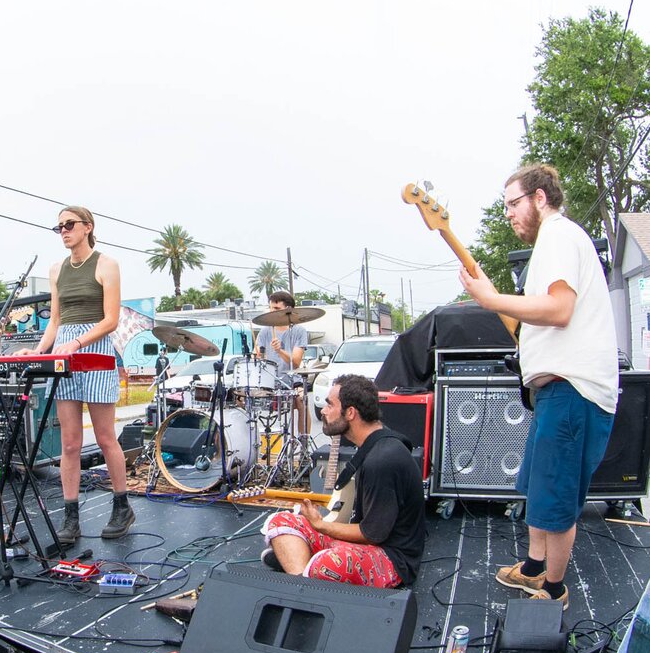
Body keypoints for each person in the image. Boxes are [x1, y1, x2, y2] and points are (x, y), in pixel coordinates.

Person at [459, 163, 618, 609]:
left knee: (557, 498)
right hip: (556, 394)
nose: (509, 214)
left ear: (540, 198)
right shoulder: (553, 242)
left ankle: (553, 589)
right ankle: (533, 568)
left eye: (513, 203)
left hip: (573, 392)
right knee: (538, 484)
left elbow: (560, 308)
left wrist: (490, 299)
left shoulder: (559, 236)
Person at [262, 374, 426, 587]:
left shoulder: (382, 460)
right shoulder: (374, 443)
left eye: (330, 405)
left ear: (350, 413)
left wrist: (320, 525)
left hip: (391, 558)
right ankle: (302, 576)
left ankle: (302, 572)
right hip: (363, 542)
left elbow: (372, 534)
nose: (323, 410)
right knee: (281, 521)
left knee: (328, 564)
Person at [33, 206, 134, 546]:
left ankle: (122, 506)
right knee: (70, 442)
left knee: (106, 437)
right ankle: (71, 516)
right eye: (59, 226)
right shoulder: (56, 269)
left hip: (94, 349)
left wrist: (76, 342)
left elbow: (111, 319)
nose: (63, 231)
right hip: (64, 351)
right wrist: (39, 351)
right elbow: (55, 319)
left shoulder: (107, 264)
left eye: (69, 225)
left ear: (88, 227)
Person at [255, 290, 309, 434]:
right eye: (271, 308)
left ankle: (304, 443)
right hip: (269, 382)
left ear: (288, 310)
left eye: (276, 309)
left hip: (292, 382)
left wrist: (280, 351)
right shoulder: (265, 331)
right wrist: (257, 357)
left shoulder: (299, 331)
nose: (272, 312)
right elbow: (259, 357)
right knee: (242, 399)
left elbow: (296, 362)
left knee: (302, 400)